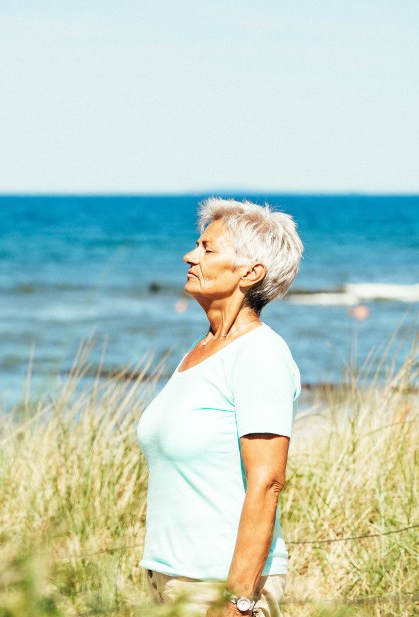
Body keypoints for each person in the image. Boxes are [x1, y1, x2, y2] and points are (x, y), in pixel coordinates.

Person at [136, 198, 304, 617]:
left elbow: (267, 482)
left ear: (250, 272)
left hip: (218, 588)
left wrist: (238, 601)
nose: (189, 255)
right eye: (197, 245)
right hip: (171, 579)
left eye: (208, 248)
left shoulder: (259, 354)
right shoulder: (203, 349)